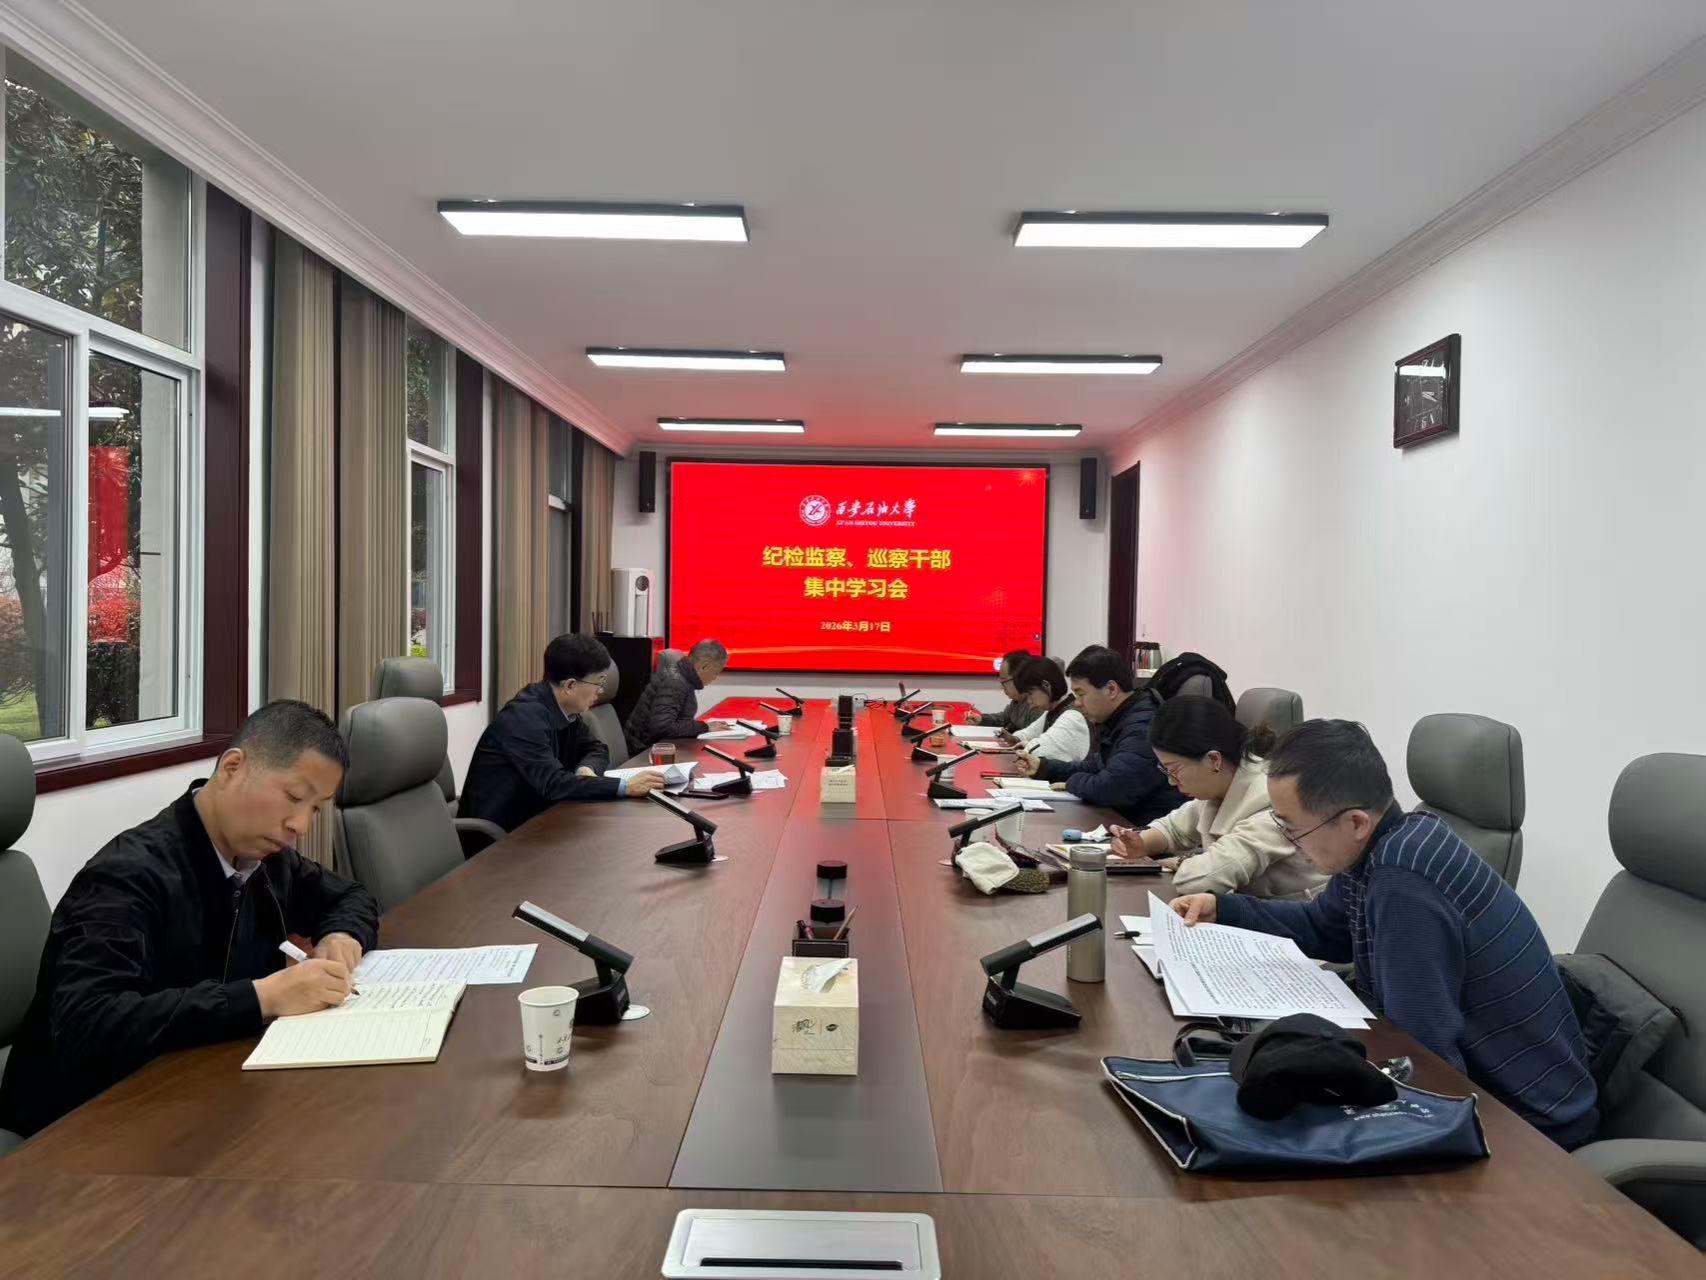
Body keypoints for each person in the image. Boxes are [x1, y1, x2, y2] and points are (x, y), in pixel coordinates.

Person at [1170, 719, 1598, 1147]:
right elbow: (1325, 928)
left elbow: (1426, 1057)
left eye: (1293, 829)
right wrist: (1224, 907)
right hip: (1474, 1083)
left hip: (1526, 1123)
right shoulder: (1388, 840)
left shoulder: (1403, 881)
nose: (1291, 842)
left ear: (1355, 822)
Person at [0, 700, 380, 1140]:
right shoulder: (125, 876)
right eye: (294, 797)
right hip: (85, 1127)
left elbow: (351, 896)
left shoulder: (266, 858)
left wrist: (342, 934)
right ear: (233, 768)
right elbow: (88, 1023)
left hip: (205, 1093)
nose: (300, 825)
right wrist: (261, 997)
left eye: (316, 808)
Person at [1109, 695, 1325, 900]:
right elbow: (1174, 828)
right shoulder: (1222, 785)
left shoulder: (1273, 800)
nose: (1171, 782)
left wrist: (1182, 861)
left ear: (1213, 760)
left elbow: (1201, 880)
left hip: (1290, 918)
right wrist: (1140, 843)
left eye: (1174, 770)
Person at [460, 633, 667, 833]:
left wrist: (586, 768)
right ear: (570, 685)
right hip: (501, 836)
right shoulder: (523, 718)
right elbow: (553, 783)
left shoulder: (563, 709)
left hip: (541, 820)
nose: (601, 691)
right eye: (599, 682)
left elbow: (596, 748)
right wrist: (625, 786)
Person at [1016, 646, 1185, 826]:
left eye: (1081, 694)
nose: (1077, 703)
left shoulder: (1142, 726)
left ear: (1111, 689)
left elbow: (1113, 788)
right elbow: (1096, 766)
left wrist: (1071, 783)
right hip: (1124, 822)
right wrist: (1044, 767)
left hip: (1145, 830)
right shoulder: (1121, 717)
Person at [625, 639, 728, 754]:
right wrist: (704, 727)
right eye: (716, 673)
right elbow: (663, 726)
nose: (715, 678)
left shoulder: (682, 677)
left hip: (660, 746)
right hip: (646, 752)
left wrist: (703, 727)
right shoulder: (675, 682)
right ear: (704, 666)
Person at [1004, 655, 1090, 764]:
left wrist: (1025, 745)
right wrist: (1016, 739)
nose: (1029, 701)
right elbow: (1028, 733)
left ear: (1046, 685)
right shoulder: (1053, 711)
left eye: (1030, 694)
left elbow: (1040, 750)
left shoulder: (1072, 716)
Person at [964, 649, 1042, 732]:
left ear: (1019, 679)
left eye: (1004, 681)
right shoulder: (1017, 701)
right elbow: (1004, 718)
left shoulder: (1037, 705)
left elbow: (1033, 737)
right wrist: (981, 719)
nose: (1002, 687)